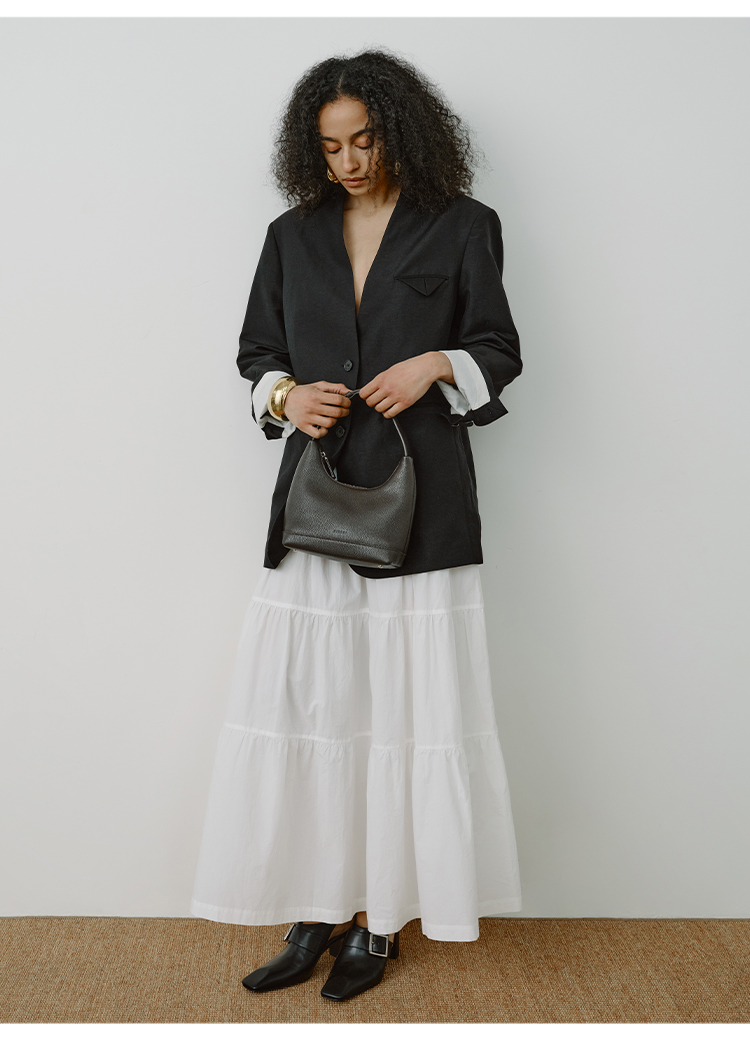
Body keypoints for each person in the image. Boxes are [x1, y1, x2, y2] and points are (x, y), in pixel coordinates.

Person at [190, 47, 523, 1003]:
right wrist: (285, 396)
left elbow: (500, 349)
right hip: (317, 499)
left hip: (423, 508)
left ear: (399, 131)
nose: (349, 161)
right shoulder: (290, 235)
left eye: (364, 140)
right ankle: (316, 908)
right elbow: (257, 351)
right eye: (332, 146)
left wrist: (436, 365)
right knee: (316, 713)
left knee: (405, 715)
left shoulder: (463, 225)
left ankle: (382, 919)